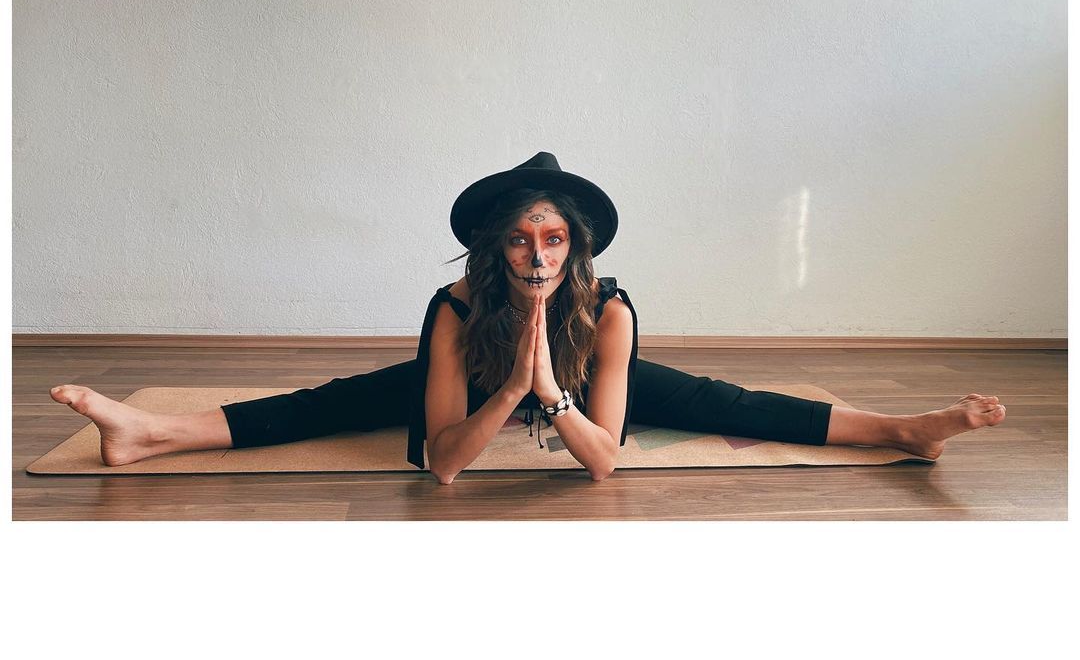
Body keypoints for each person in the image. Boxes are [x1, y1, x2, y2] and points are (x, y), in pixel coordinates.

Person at [50, 151, 1007, 482]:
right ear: (495, 250)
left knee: (725, 400)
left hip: (580, 378)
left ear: (575, 248)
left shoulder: (610, 309)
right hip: (488, 375)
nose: (538, 257)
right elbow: (440, 467)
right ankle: (149, 433)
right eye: (519, 241)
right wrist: (511, 385)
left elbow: (606, 464)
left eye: (553, 240)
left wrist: (554, 391)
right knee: (336, 401)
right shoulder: (456, 308)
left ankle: (903, 431)